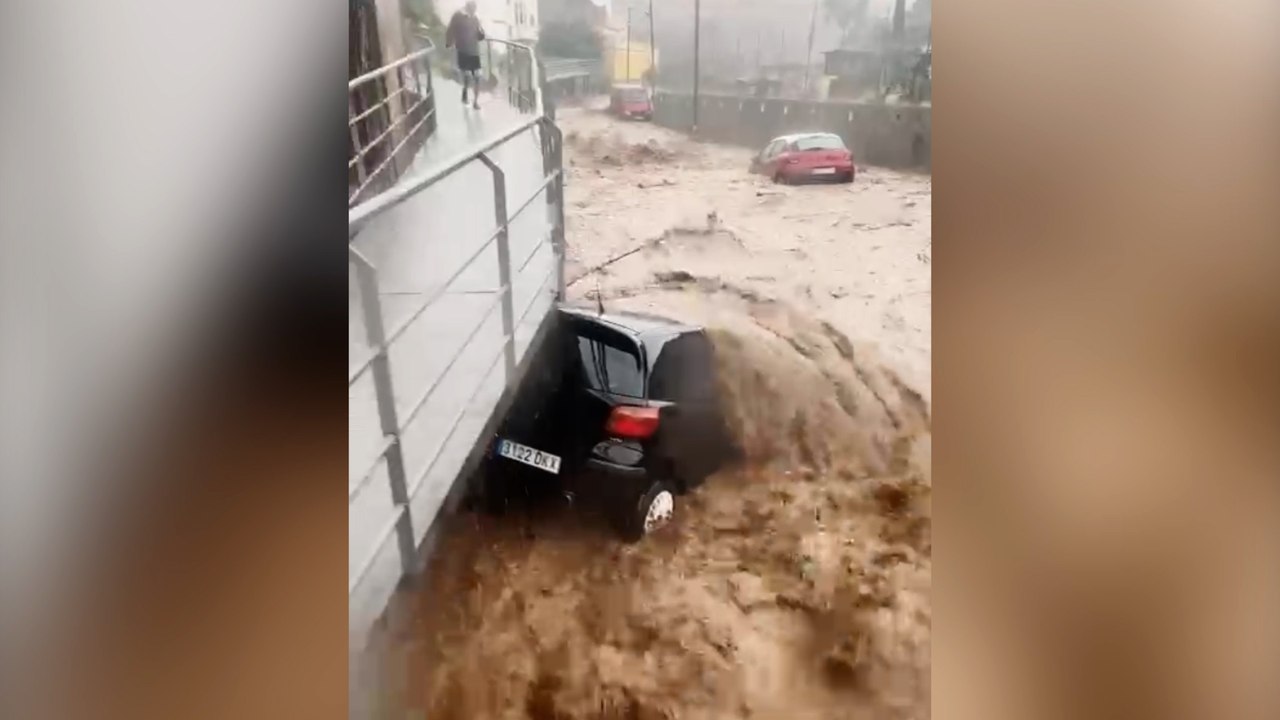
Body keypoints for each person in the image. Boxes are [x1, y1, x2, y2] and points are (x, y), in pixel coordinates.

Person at [445, 1, 485, 109]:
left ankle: (475, 102)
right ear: (467, 7)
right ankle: (465, 92)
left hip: (474, 51)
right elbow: (450, 29)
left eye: (474, 8)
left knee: (477, 76)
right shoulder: (458, 16)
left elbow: (480, 34)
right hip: (463, 50)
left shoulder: (476, 19)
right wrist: (449, 42)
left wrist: (481, 34)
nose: (473, 10)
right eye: (472, 7)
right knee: (467, 75)